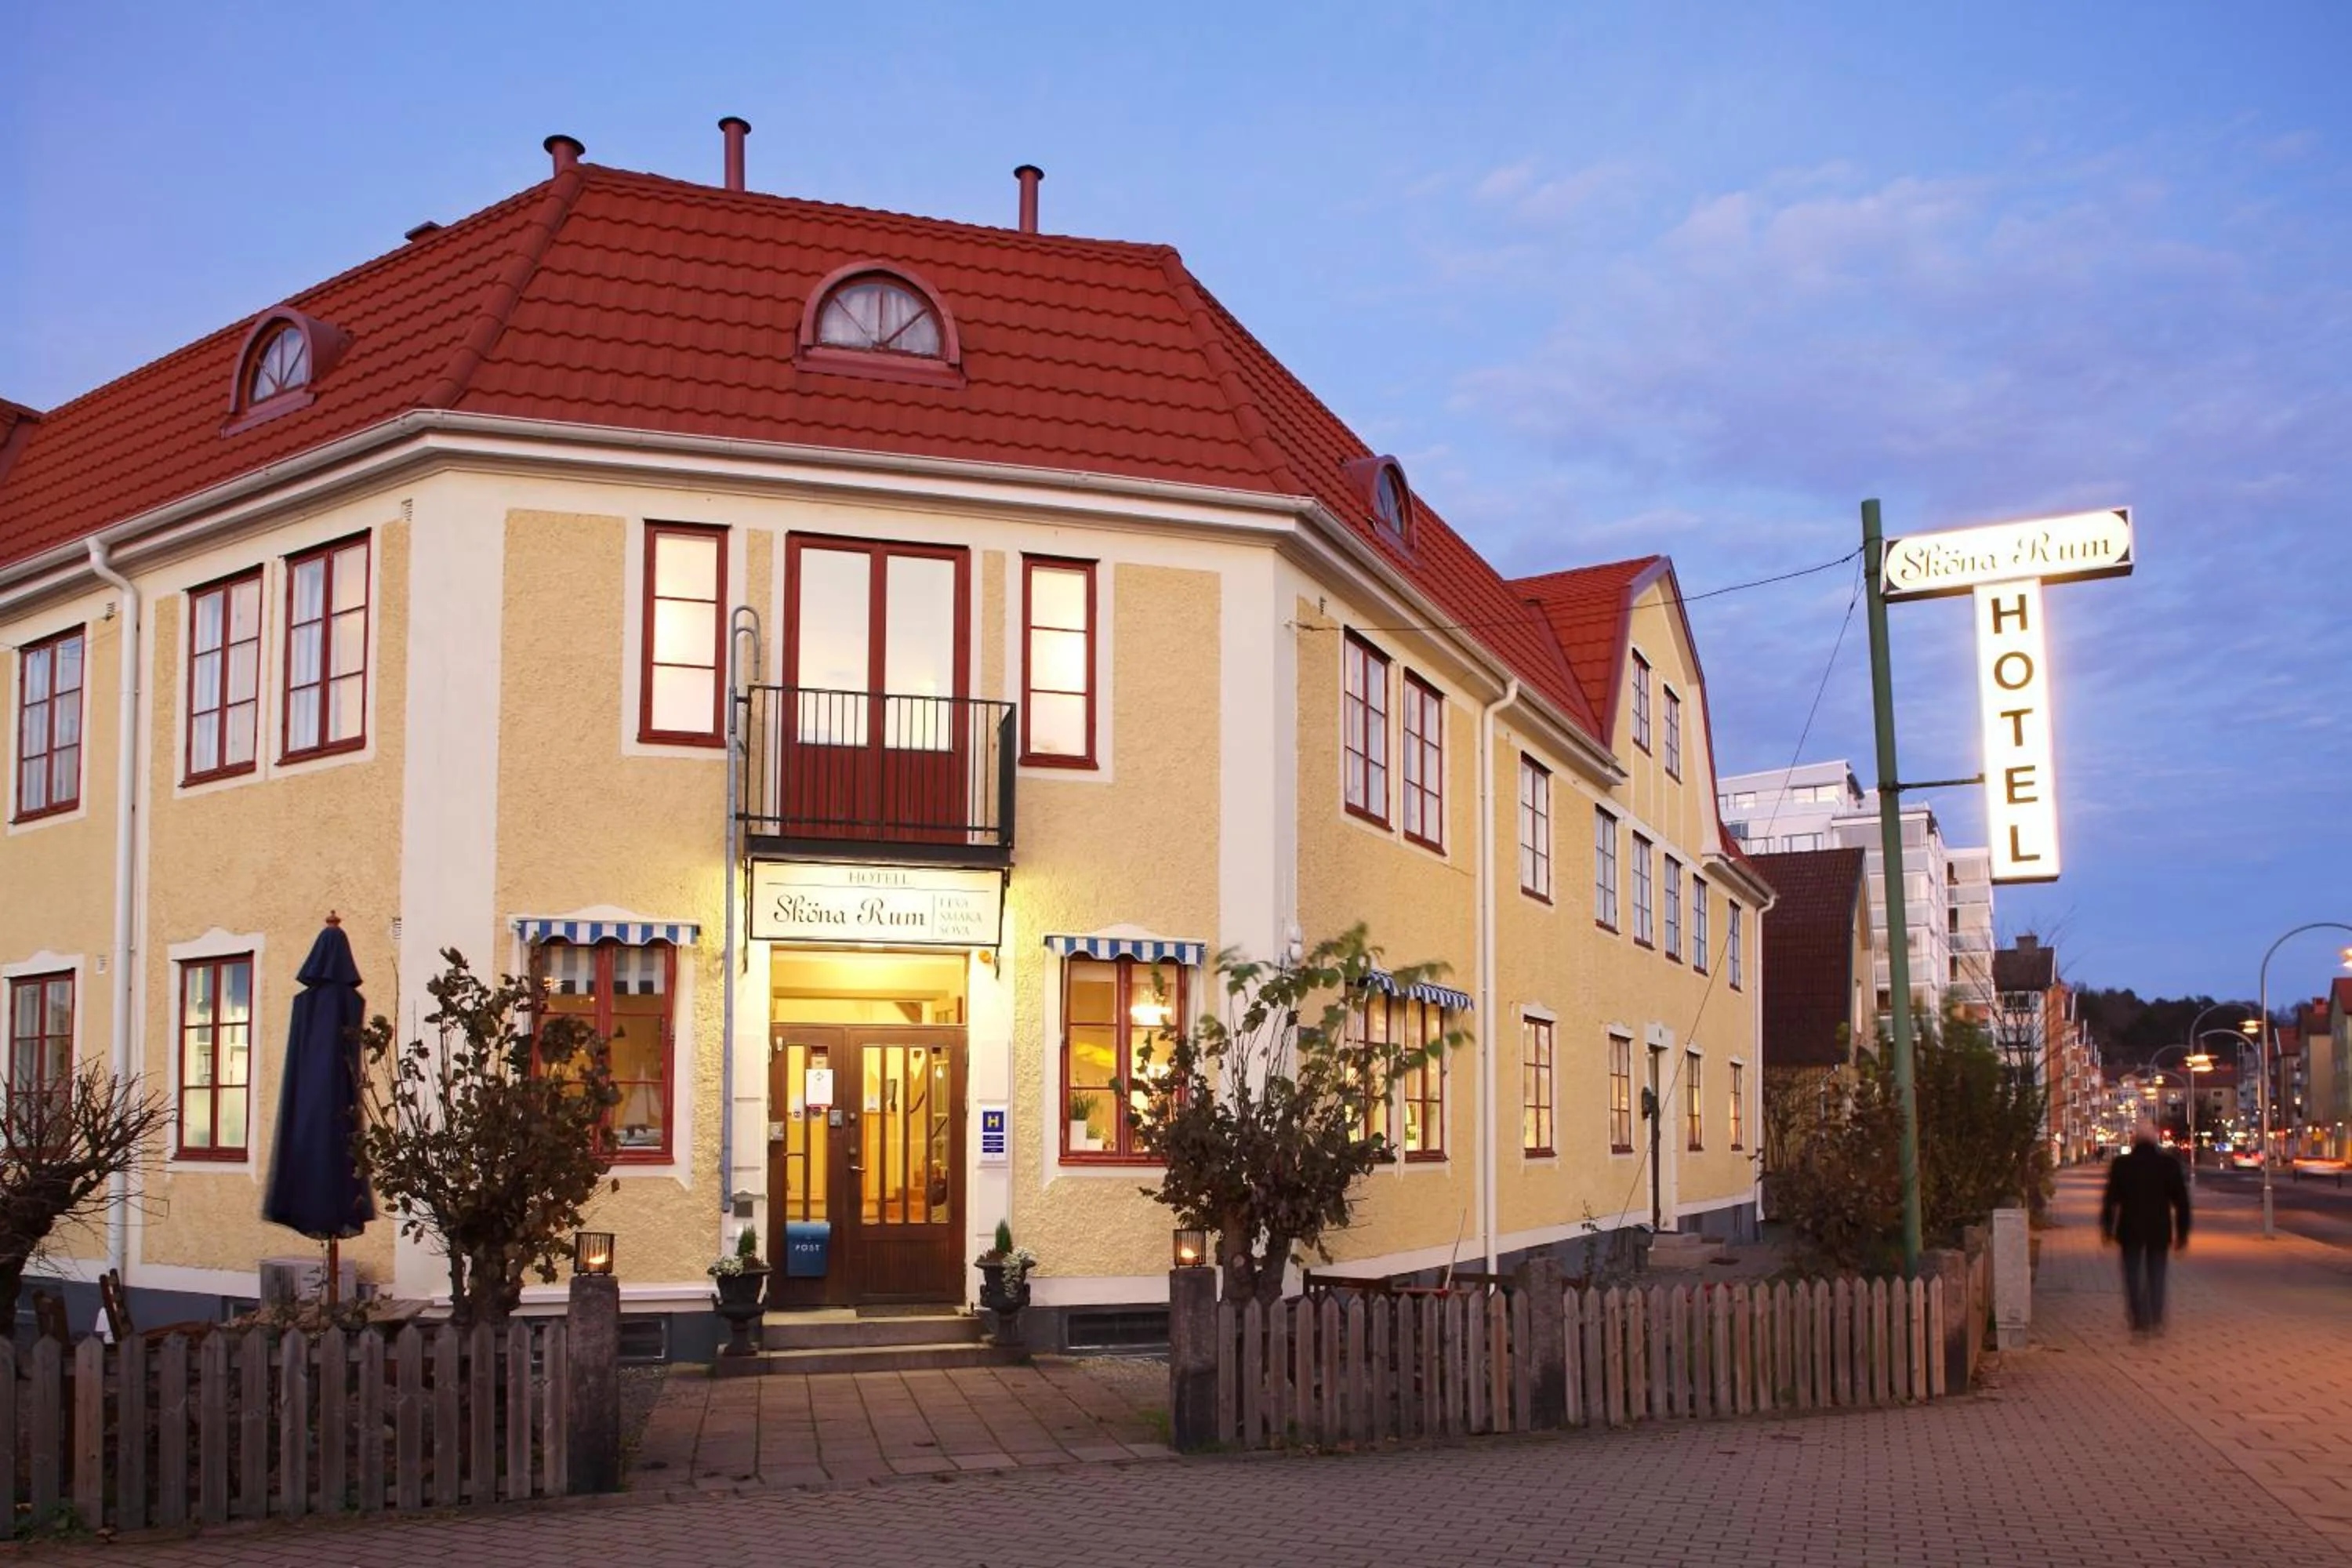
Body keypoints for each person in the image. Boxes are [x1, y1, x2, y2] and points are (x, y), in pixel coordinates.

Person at [2100, 1117, 2191, 1334]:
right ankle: (2156, 1318)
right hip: (2159, 1229)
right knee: (2157, 1273)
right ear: (2155, 1139)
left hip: (2130, 1228)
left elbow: (2111, 1199)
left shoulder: (2122, 1165)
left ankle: (2139, 1318)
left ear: (2135, 1140)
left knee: (2132, 1274)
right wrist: (2182, 1234)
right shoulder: (2168, 1165)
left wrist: (2107, 1228)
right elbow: (2181, 1202)